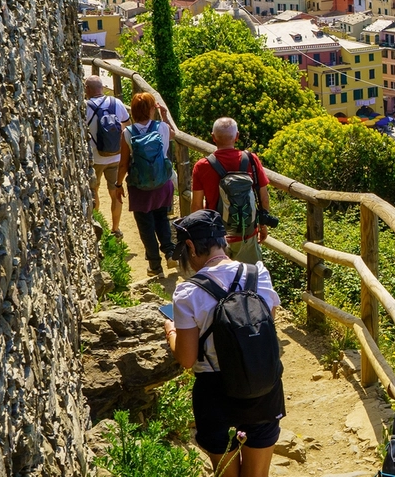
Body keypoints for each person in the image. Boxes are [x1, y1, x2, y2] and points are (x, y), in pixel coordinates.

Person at [164, 211, 283, 476]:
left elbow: (186, 358)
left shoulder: (187, 293)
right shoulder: (259, 274)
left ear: (191, 246)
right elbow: (267, 328)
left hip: (215, 394)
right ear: (222, 240)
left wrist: (171, 332)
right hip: (263, 387)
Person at [191, 117, 272, 262]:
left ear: (213, 137)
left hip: (217, 237)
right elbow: (264, 198)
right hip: (246, 234)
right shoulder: (251, 159)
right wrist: (263, 225)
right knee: (249, 279)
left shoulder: (202, 166)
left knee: (221, 281)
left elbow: (197, 206)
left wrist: (198, 237)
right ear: (237, 136)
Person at [118, 92, 176, 277]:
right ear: (152, 109)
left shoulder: (127, 133)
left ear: (133, 111)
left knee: (145, 225)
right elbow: (175, 135)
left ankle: (154, 266)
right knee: (162, 219)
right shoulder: (163, 128)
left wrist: (118, 184)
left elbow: (124, 163)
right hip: (162, 183)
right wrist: (165, 116)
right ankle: (170, 252)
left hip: (139, 187)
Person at [84, 75, 129, 236]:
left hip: (95, 157)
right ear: (102, 88)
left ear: (87, 89)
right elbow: (126, 125)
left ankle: (96, 224)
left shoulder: (85, 106)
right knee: (115, 191)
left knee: (93, 189)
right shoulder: (116, 103)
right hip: (116, 156)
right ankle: (115, 229)